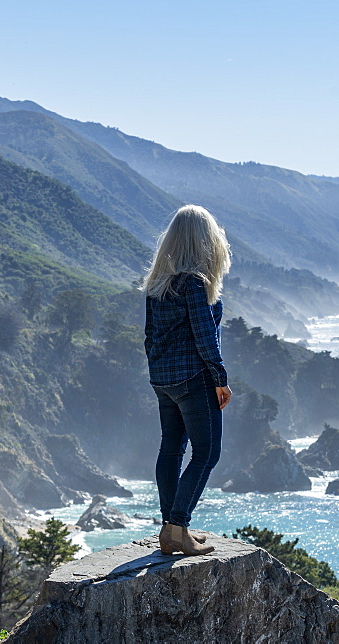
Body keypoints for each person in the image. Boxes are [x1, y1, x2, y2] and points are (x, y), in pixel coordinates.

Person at [142, 205, 232, 556]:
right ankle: (178, 526)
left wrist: (158, 373)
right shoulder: (195, 282)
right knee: (207, 452)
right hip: (194, 377)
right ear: (204, 241)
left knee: (171, 448)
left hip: (163, 379)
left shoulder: (157, 283)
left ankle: (170, 529)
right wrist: (220, 378)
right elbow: (205, 335)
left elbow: (149, 336)